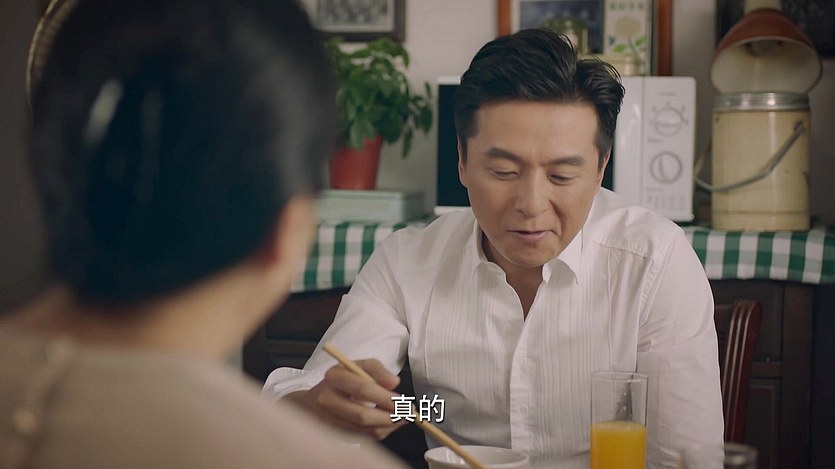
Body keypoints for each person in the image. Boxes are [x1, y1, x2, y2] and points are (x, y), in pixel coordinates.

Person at [264, 28, 724, 468]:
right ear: (462, 161)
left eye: (562, 175)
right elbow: (412, 407)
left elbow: (685, 459)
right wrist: (331, 407)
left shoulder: (653, 260)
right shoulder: (407, 263)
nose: (531, 205)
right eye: (504, 172)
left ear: (601, 168)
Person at [0, 0, 405, 467]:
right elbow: (336, 393)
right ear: (459, 159)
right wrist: (415, 409)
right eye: (493, 167)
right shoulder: (405, 258)